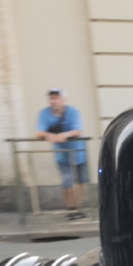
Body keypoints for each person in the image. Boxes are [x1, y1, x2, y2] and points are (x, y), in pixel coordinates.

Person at [35, 89, 87, 220]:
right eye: (51, 98)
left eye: (56, 98)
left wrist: (65, 134)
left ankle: (79, 208)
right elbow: (38, 132)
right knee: (67, 180)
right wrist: (50, 135)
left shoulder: (73, 111)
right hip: (61, 154)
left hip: (78, 151)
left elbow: (78, 130)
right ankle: (70, 209)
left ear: (63, 100)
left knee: (81, 180)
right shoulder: (44, 113)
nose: (53, 101)